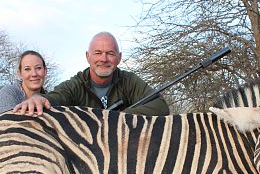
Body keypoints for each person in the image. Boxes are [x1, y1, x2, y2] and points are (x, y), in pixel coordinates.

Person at [13, 32, 169, 116]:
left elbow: (160, 106)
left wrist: (120, 117)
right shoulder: (76, 84)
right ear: (88, 57)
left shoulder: (129, 80)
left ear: (119, 58)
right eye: (98, 53)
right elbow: (57, 96)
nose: (104, 59)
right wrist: (39, 98)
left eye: (110, 53)